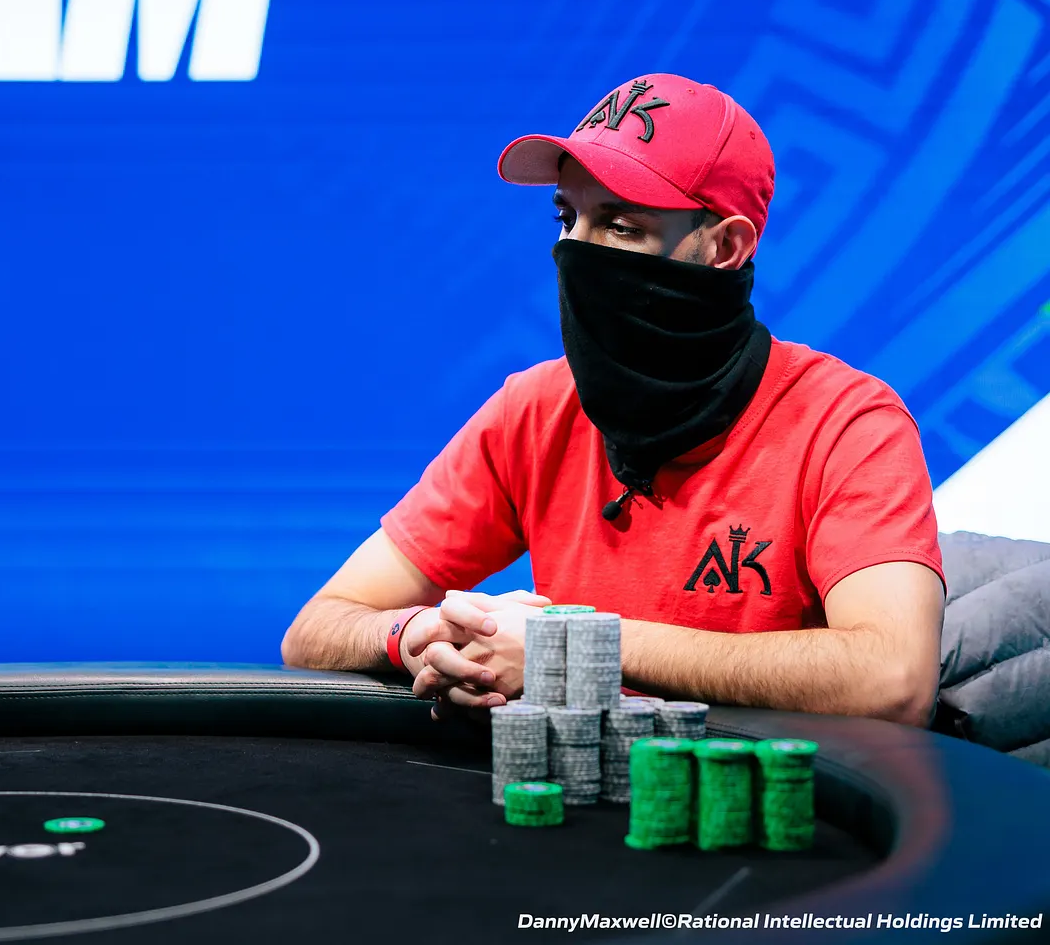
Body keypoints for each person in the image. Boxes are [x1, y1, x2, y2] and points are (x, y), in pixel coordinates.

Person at [281, 74, 945, 727]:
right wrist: (419, 635)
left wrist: (575, 645)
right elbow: (316, 627)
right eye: (567, 218)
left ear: (726, 247)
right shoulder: (535, 409)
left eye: (621, 227)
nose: (575, 251)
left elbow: (894, 679)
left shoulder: (847, 422)